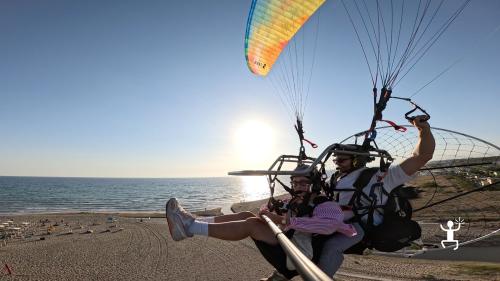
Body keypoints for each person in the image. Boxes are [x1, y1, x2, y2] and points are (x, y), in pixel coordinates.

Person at [165, 165, 357, 281]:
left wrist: (284, 220)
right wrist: (268, 212)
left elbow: (330, 225)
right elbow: (265, 207)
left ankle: (189, 228)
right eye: (295, 182)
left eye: (303, 183)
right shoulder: (292, 200)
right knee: (249, 213)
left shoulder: (326, 204)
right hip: (286, 245)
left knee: (252, 224)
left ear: (314, 184)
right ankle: (192, 220)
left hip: (299, 256)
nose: (298, 187)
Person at [317, 115, 435, 277]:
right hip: (333, 221)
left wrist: (423, 130)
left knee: (331, 247)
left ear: (356, 160)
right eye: (336, 160)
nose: (337, 163)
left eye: (341, 160)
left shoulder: (380, 176)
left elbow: (422, 157)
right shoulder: (336, 177)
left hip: (358, 226)